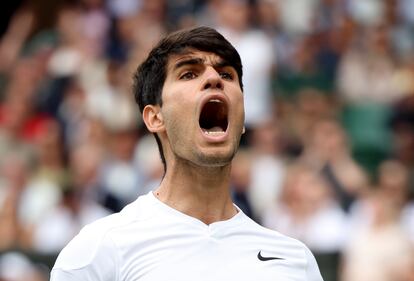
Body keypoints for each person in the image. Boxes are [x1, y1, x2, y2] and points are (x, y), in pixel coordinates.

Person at [50, 26, 323, 281]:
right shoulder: (97, 252)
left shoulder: (295, 261)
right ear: (155, 117)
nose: (214, 78)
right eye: (189, 74)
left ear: (241, 121)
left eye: (227, 75)